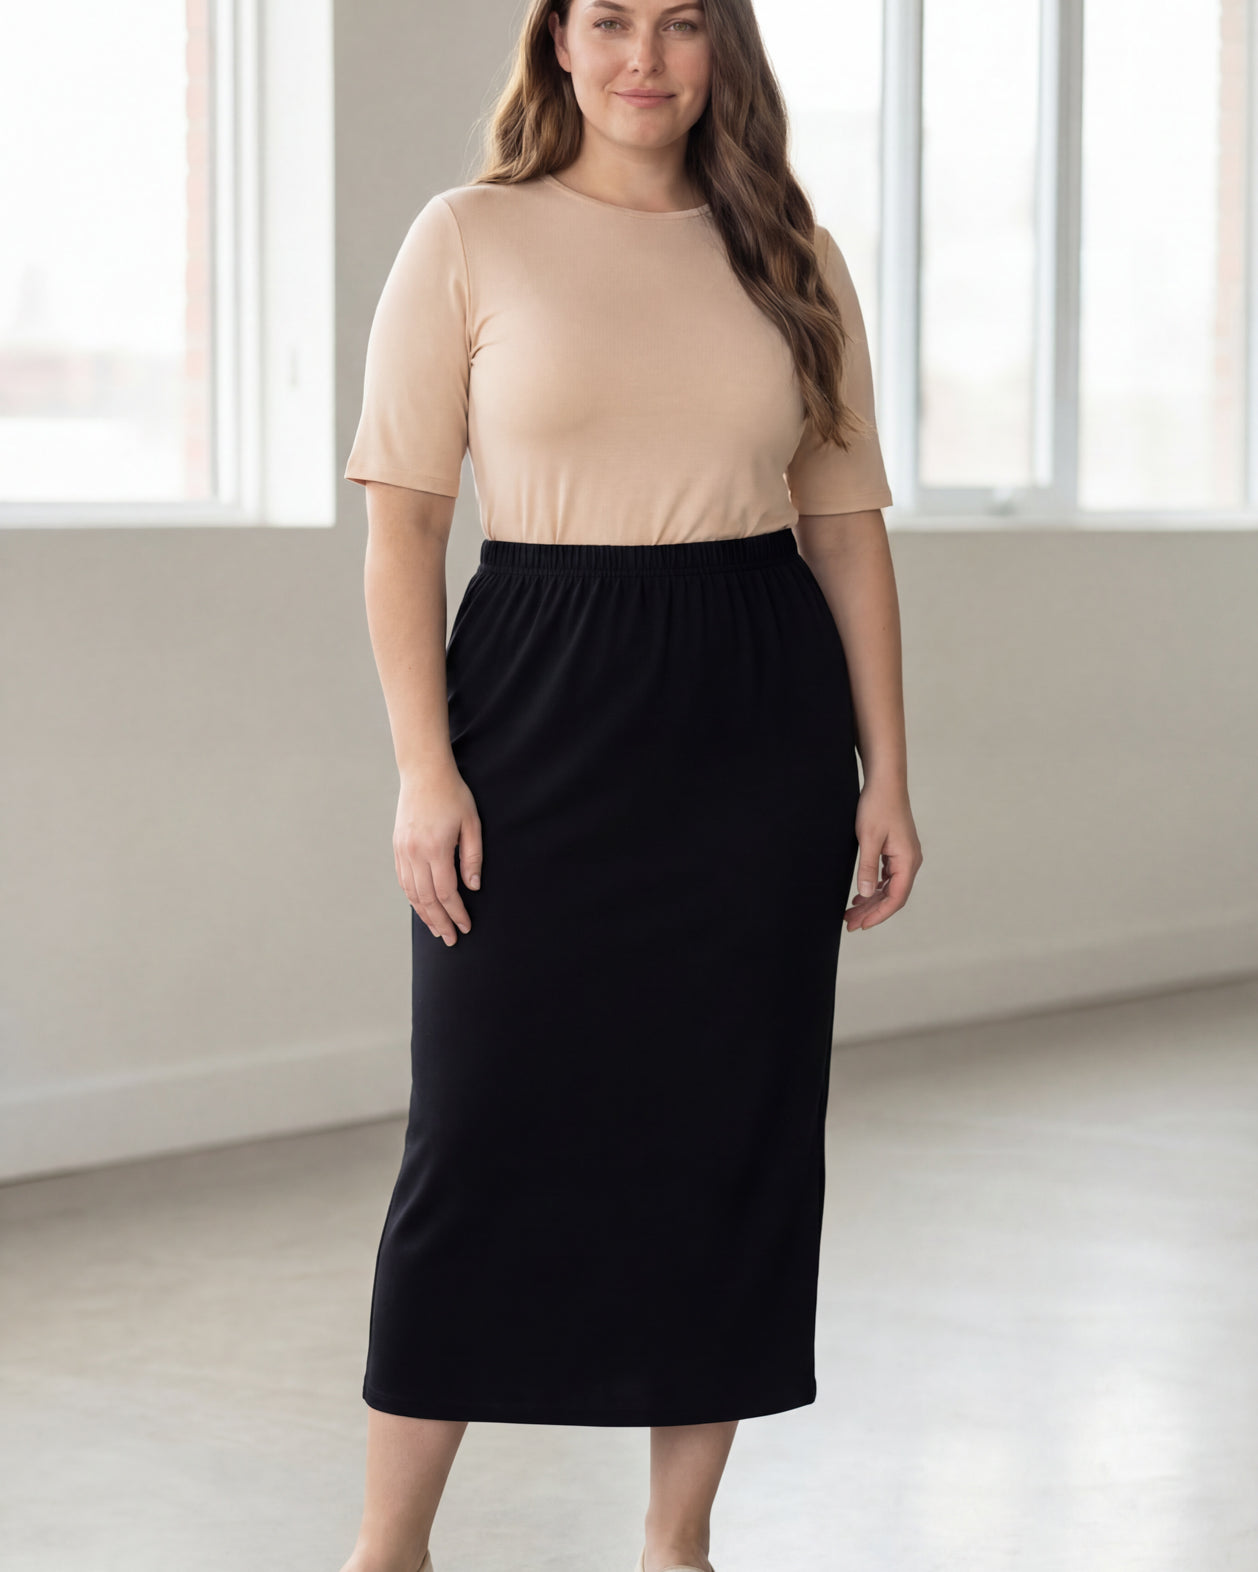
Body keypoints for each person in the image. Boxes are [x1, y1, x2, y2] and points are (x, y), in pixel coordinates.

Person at [339, 2, 923, 1570]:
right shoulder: (468, 236)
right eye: (607, 17)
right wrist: (423, 769)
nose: (642, 55)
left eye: (680, 22)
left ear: (722, 48)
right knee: (473, 1130)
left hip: (754, 715)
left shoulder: (787, 251)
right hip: (532, 692)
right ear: (556, 43)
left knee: (725, 1132)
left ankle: (679, 1543)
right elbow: (402, 527)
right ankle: (387, 1548)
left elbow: (846, 527)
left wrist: (886, 776)